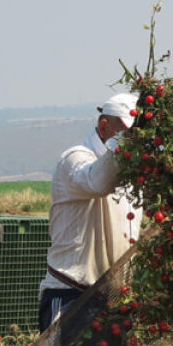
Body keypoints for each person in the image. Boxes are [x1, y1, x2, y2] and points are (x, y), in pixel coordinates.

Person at [38, 93, 141, 333]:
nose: (136, 140)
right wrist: (128, 141)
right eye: (127, 131)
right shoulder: (75, 159)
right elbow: (98, 182)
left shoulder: (134, 171)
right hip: (71, 293)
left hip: (115, 296)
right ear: (104, 126)